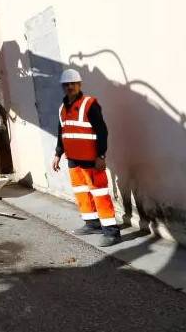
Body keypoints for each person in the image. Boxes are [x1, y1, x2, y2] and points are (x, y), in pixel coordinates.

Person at [52, 68, 121, 246]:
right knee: (81, 192)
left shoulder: (90, 104)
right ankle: (91, 223)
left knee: (99, 193)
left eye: (73, 84)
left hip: (91, 159)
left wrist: (101, 155)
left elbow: (102, 131)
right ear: (62, 87)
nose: (70, 87)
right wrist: (57, 154)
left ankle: (111, 232)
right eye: (66, 84)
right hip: (73, 160)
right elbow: (62, 132)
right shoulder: (62, 108)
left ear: (79, 84)